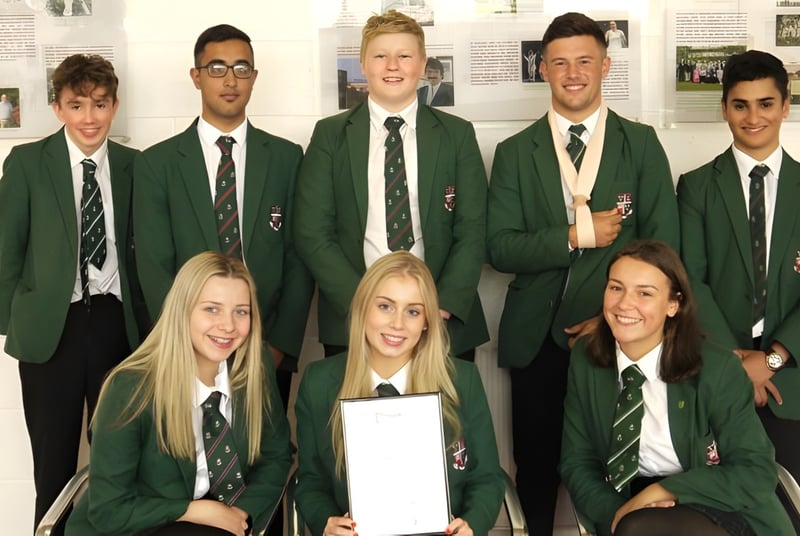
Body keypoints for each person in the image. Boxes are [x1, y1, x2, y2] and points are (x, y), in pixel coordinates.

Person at [486, 11, 679, 535]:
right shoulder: (512, 152)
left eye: (585, 61)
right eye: (560, 63)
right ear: (542, 69)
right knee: (537, 469)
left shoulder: (640, 144)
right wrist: (574, 235)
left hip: (623, 337)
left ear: (606, 66)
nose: (573, 73)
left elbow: (664, 249)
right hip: (537, 340)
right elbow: (500, 248)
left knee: (627, 467)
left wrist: (614, 319)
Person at [0, 54, 144, 535]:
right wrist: (16, 322)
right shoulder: (26, 163)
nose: (89, 117)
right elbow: (5, 254)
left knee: (116, 459)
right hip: (49, 329)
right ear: (58, 107)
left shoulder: (133, 166)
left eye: (100, 104)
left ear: (115, 106)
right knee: (52, 463)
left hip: (113, 323)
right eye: (77, 104)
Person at [134, 24, 313, 409]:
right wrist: (184, 345)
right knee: (191, 457)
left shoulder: (285, 158)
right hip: (188, 349)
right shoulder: (157, 164)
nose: (230, 80)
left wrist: (280, 345)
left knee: (265, 458)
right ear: (196, 77)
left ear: (254, 77)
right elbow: (153, 266)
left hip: (264, 346)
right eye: (216, 68)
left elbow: (298, 256)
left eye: (241, 68)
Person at [561, 239, 793, 536]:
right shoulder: (585, 359)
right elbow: (577, 462)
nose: (624, 304)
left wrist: (665, 490)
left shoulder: (717, 368)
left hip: (717, 501)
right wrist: (616, 515)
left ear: (674, 304)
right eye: (616, 288)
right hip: (633, 510)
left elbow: (756, 471)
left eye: (644, 293)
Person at [294, 10, 489, 361]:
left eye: (404, 56)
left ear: (423, 63)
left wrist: (440, 305)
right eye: (381, 56)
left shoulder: (457, 135)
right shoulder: (331, 135)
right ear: (364, 63)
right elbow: (312, 232)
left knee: (447, 415)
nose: (392, 66)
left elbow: (473, 228)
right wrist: (363, 304)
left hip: (439, 318)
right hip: (354, 316)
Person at [65, 251, 293, 536]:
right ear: (182, 310)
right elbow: (108, 510)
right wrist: (193, 510)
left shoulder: (254, 366)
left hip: (215, 524)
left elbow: (276, 456)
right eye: (212, 309)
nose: (228, 325)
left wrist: (240, 512)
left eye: (241, 311)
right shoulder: (130, 388)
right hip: (132, 527)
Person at [294, 251, 504, 536]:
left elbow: (487, 478)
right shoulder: (318, 382)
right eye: (385, 306)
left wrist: (472, 525)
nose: (397, 324)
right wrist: (326, 522)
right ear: (362, 307)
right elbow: (311, 480)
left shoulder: (462, 380)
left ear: (427, 321)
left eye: (413, 311)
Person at [677, 49, 800, 531]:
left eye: (766, 104)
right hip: (715, 373)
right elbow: (691, 278)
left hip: (790, 378)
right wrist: (735, 363)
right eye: (741, 105)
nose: (754, 117)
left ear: (786, 106)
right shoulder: (695, 187)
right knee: (723, 512)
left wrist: (770, 360)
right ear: (723, 108)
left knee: (789, 510)